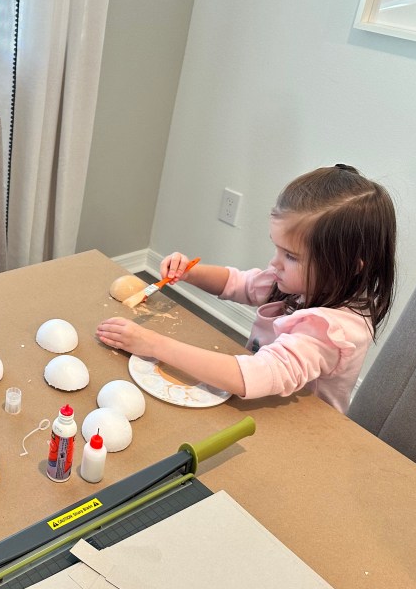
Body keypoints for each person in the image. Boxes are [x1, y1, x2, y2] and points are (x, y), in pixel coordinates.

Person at [97, 165, 396, 415]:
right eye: (277, 248)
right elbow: (240, 284)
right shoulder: (298, 281)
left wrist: (152, 344)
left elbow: (256, 375)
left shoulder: (334, 331)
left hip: (304, 430)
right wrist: (190, 272)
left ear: (349, 266)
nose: (274, 263)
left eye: (291, 256)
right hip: (264, 402)